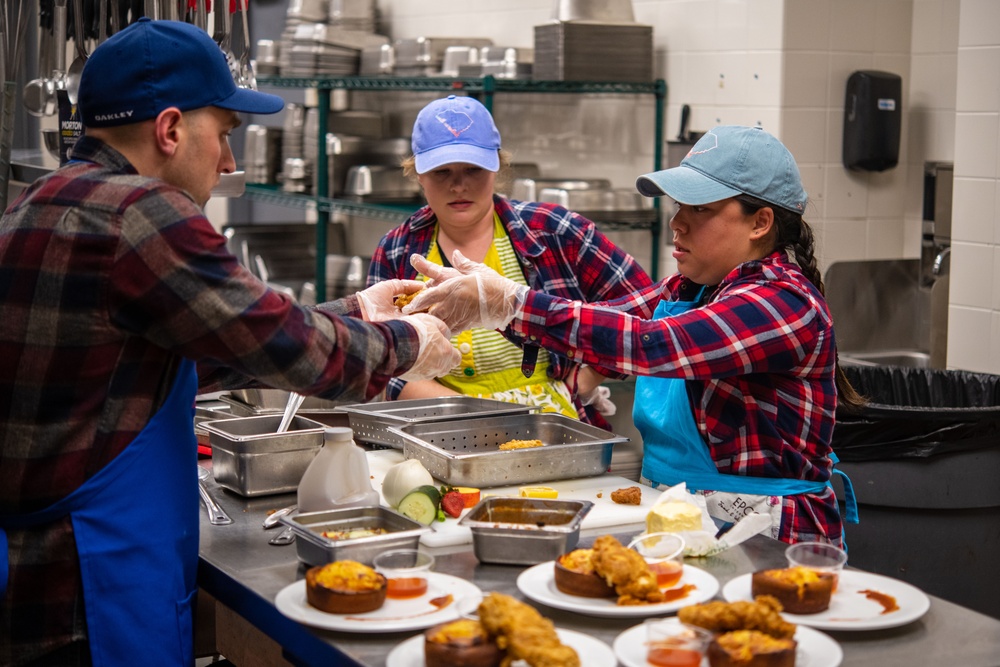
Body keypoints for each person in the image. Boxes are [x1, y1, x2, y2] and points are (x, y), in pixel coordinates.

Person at [0, 19, 459, 667]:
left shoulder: (39, 202)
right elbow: (286, 348)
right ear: (168, 129)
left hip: (33, 582)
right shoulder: (143, 211)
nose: (228, 161)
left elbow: (186, 348)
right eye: (222, 135)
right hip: (92, 588)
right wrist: (407, 340)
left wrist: (355, 307)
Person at [405, 125, 863, 547]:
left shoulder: (782, 303)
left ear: (760, 222)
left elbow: (649, 343)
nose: (677, 222)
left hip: (771, 535)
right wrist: (489, 307)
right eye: (679, 206)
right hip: (685, 515)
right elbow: (603, 319)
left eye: (699, 209)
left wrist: (514, 303)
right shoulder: (693, 289)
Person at [367, 95, 653, 428]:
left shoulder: (554, 232)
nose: (458, 185)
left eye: (473, 169)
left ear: (496, 167)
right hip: (445, 428)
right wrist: (470, 416)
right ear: (417, 174)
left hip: (555, 424)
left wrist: (585, 379)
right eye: (441, 172)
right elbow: (383, 360)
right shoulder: (398, 250)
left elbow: (646, 309)